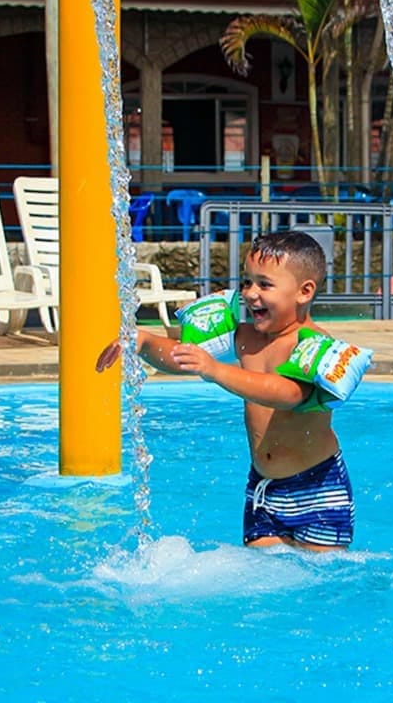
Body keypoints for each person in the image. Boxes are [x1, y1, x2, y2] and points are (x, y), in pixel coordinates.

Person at [96, 230, 372, 550]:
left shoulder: (311, 344)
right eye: (247, 281)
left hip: (317, 490)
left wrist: (215, 370)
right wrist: (142, 341)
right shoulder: (245, 334)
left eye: (264, 284)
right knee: (261, 581)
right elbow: (181, 355)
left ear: (304, 291)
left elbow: (288, 393)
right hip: (263, 490)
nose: (251, 293)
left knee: (322, 585)